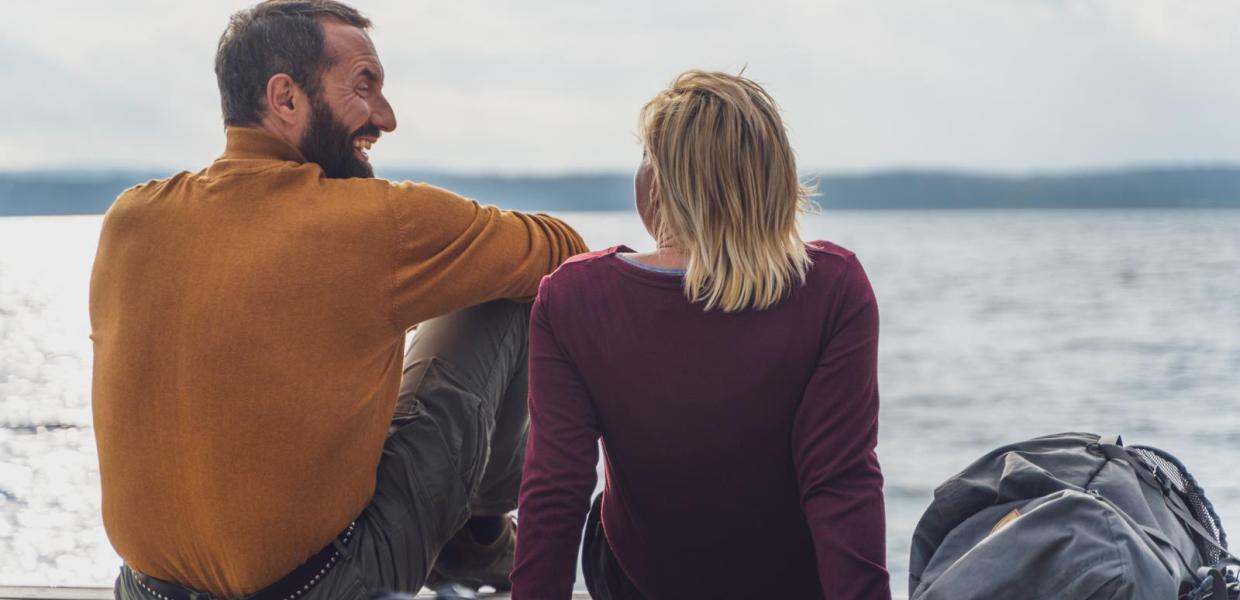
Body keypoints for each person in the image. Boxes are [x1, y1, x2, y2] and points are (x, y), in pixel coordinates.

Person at [90, 2, 587, 599]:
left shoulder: (130, 220)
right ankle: (478, 538)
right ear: (286, 98)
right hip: (329, 585)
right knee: (506, 291)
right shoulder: (378, 224)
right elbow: (562, 249)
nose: (387, 117)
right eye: (364, 86)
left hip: (145, 591)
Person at [511, 70, 890, 599]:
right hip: (791, 582)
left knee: (603, 510)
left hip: (641, 580)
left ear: (661, 183)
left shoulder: (574, 296)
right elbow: (841, 481)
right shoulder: (833, 287)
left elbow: (557, 488)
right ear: (775, 181)